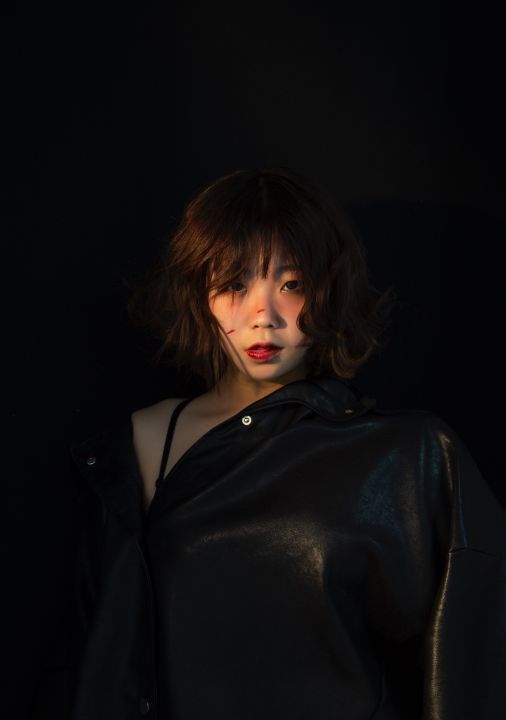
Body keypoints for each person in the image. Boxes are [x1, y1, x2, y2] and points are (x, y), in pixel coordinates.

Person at [67, 167, 506, 720]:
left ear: (328, 291)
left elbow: (475, 664)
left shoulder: (409, 454)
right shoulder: (139, 441)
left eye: (292, 285)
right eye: (234, 284)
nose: (264, 316)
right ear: (199, 294)